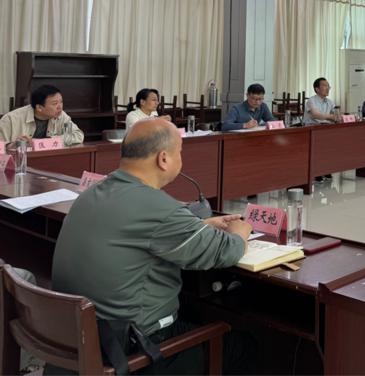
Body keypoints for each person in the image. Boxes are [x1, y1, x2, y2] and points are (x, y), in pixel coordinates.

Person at [46, 120, 256, 376]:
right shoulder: (160, 208)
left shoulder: (92, 192)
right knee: (244, 346)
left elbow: (136, 229)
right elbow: (227, 251)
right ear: (163, 159)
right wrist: (240, 231)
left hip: (79, 337)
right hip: (129, 349)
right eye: (180, 151)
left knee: (192, 313)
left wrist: (198, 226)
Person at [0, 84, 84, 148]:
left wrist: (48, 141)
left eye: (61, 101)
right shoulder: (10, 119)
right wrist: (11, 145)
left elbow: (79, 136)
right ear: (39, 107)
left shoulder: (61, 115)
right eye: (55, 103)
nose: (60, 107)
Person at [305, 77, 337, 182]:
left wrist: (343, 115)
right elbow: (316, 115)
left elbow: (337, 114)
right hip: (312, 129)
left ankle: (326, 170)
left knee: (329, 148)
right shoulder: (311, 100)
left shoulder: (330, 102)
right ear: (317, 89)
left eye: (329, 87)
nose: (327, 89)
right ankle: (317, 173)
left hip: (325, 129)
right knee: (318, 150)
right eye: (325, 87)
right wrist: (332, 116)